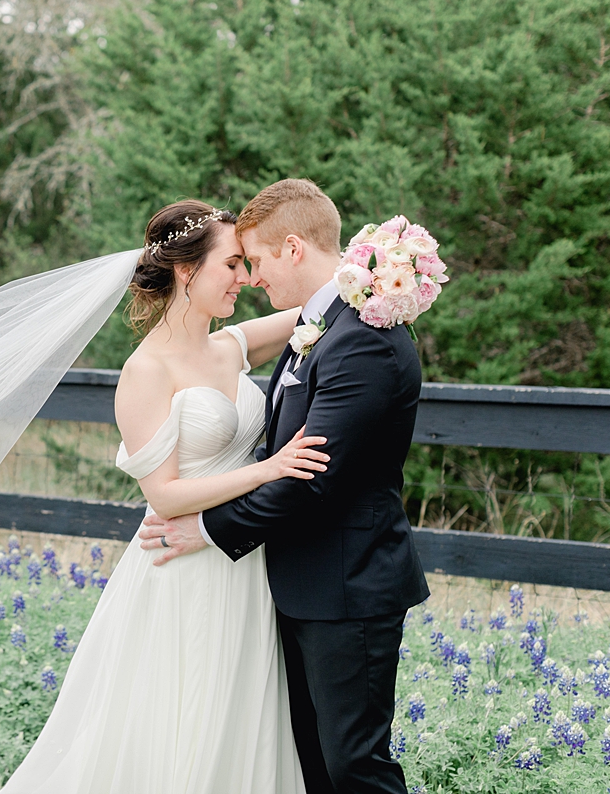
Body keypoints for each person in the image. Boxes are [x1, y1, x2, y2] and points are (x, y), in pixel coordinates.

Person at [0, 199, 330, 794]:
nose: (246, 278)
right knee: (183, 722)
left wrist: (377, 268)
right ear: (187, 271)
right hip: (183, 570)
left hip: (244, 565)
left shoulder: (229, 347)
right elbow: (167, 494)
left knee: (240, 720)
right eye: (232, 264)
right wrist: (269, 470)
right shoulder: (145, 370)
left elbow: (324, 304)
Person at [139, 180, 431, 793]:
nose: (253, 277)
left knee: (354, 764)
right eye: (237, 264)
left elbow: (309, 479)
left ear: (293, 248)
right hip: (294, 583)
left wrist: (207, 529)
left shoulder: (361, 340)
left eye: (259, 261)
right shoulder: (322, 324)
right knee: (310, 763)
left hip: (348, 585)